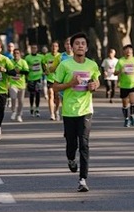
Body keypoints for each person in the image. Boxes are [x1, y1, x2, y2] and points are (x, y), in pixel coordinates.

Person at [53, 32, 100, 192]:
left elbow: (96, 80)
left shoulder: (92, 65)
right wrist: (70, 83)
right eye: (77, 43)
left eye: (83, 44)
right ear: (71, 47)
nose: (80, 46)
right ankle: (71, 160)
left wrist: (95, 85)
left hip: (86, 110)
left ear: (86, 48)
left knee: (84, 144)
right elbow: (55, 86)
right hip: (69, 111)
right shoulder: (65, 65)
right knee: (71, 144)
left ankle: (83, 179)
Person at [115, 44, 134, 127]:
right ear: (124, 51)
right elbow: (115, 72)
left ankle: (132, 116)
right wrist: (120, 71)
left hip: (133, 84)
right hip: (123, 85)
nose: (128, 51)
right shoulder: (120, 61)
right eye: (127, 50)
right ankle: (126, 119)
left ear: (132, 51)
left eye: (130, 50)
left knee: (132, 101)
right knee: (125, 104)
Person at [8, 48, 29, 121]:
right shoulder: (10, 62)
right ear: (13, 54)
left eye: (17, 53)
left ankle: (19, 115)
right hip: (13, 83)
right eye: (15, 53)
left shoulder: (23, 62)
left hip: (21, 84)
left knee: (21, 101)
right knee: (13, 97)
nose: (16, 54)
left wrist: (19, 71)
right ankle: (13, 111)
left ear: (20, 54)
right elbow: (7, 71)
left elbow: (26, 72)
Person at [24, 43, 44, 117]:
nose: (34, 49)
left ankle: (37, 108)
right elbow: (25, 67)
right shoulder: (27, 58)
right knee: (32, 94)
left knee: (38, 93)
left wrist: (45, 71)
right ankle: (31, 106)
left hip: (38, 77)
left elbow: (44, 64)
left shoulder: (41, 57)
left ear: (37, 49)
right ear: (30, 49)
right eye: (32, 48)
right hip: (31, 78)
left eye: (35, 48)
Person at [45, 41, 62, 121]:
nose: (54, 48)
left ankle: (57, 111)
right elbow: (43, 63)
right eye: (52, 46)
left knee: (57, 97)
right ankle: (52, 113)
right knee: (51, 95)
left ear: (58, 48)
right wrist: (45, 69)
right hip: (50, 79)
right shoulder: (46, 56)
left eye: (56, 46)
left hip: (58, 79)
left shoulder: (60, 56)